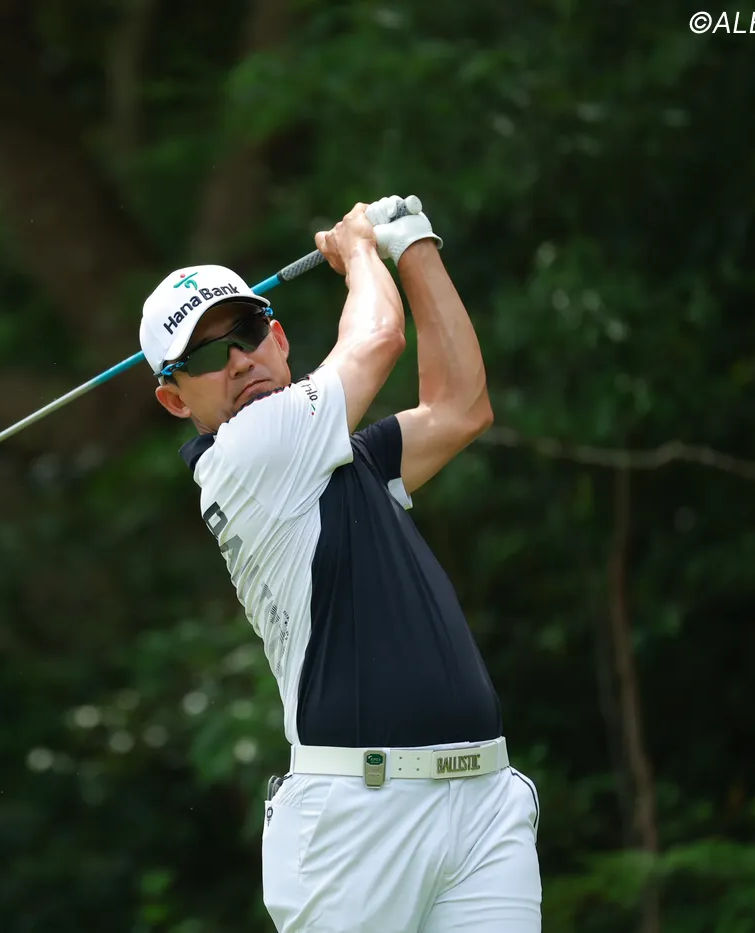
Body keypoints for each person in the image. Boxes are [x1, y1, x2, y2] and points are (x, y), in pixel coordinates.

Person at [137, 196, 541, 932]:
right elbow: (380, 337)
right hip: (358, 821)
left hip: (482, 798)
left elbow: (460, 407)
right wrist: (360, 249)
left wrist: (413, 244)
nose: (238, 360)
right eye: (205, 356)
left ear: (278, 337)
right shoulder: (247, 455)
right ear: (174, 397)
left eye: (246, 332)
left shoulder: (334, 457)